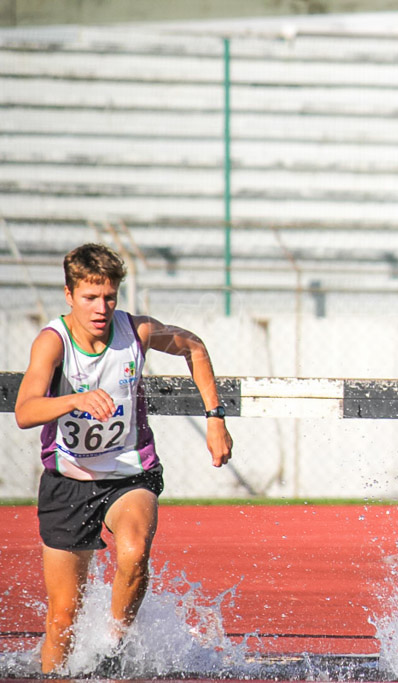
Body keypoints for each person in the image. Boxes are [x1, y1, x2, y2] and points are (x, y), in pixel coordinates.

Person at [14, 243, 234, 674]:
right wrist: (74, 399)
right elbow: (25, 411)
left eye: (109, 297)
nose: (101, 308)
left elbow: (194, 347)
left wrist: (214, 417)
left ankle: (111, 650)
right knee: (62, 619)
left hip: (129, 474)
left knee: (134, 552)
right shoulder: (52, 342)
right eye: (90, 298)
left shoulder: (137, 333)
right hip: (68, 482)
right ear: (69, 295)